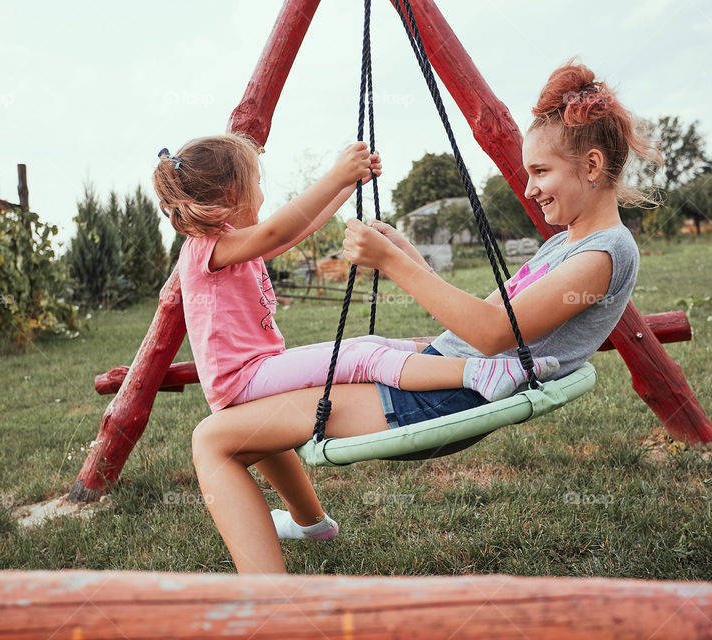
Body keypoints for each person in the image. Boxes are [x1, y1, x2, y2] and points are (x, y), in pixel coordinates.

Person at [189, 59, 663, 573]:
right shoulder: (569, 244)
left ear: (592, 167)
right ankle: (310, 528)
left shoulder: (602, 254)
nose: (529, 189)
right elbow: (485, 320)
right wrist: (410, 255)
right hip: (445, 379)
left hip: (447, 399)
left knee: (212, 439)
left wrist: (392, 264)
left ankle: (271, 603)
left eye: (541, 172)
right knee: (240, 423)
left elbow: (494, 332)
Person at [153, 135, 561, 541]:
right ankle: (479, 373)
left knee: (375, 346)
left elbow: (297, 230)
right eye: (257, 183)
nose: (262, 194)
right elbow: (279, 231)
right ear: (232, 192)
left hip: (255, 371)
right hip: (241, 380)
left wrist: (349, 183)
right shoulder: (207, 247)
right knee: (361, 353)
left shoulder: (230, 241)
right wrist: (336, 176)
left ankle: (311, 526)